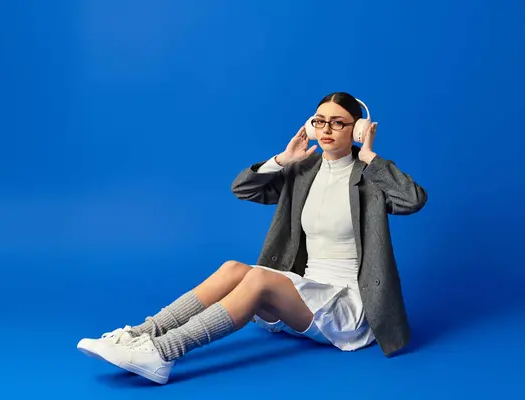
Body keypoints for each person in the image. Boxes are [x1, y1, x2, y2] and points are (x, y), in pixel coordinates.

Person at [77, 92, 427, 385]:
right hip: (304, 293)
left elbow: (413, 199)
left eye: (338, 122)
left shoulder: (369, 179)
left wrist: (369, 156)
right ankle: (143, 334)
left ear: (358, 129)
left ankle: (164, 353)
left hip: (346, 307)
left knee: (258, 276)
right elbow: (242, 188)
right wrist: (282, 160)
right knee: (233, 268)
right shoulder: (303, 171)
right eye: (320, 121)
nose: (326, 129)